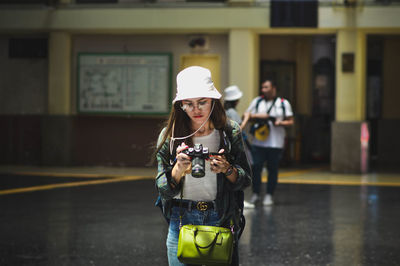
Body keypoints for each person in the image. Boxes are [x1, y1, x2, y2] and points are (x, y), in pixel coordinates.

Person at [155, 66, 252, 266]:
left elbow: (245, 179)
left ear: (213, 102)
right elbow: (162, 189)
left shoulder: (227, 131)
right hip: (181, 219)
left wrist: (227, 169)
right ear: (180, 105)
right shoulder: (171, 135)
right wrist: (178, 169)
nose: (196, 109)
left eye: (202, 102)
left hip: (220, 216)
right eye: (188, 104)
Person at [241, 79, 294, 207]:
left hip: (276, 143)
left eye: (266, 87)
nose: (263, 90)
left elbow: (291, 121)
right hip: (259, 142)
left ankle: (269, 195)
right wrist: (260, 116)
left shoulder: (283, 103)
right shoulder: (257, 101)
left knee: (273, 169)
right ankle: (256, 194)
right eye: (262, 87)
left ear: (273, 88)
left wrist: (280, 123)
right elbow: (246, 115)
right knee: (256, 168)